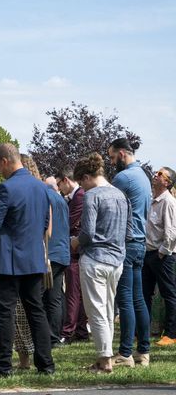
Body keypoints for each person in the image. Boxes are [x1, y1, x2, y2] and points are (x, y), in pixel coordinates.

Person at [0, 143, 55, 376]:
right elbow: (45, 224)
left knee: (4, 313)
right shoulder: (41, 187)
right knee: (36, 311)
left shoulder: (6, 188)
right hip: (33, 259)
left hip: (8, 260)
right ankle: (45, 363)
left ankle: (3, 365)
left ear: (4, 161)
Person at [71, 153, 130, 373]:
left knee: (95, 311)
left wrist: (74, 242)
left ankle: (105, 360)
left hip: (95, 259)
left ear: (86, 177)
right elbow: (128, 230)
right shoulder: (121, 195)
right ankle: (105, 357)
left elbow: (87, 233)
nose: (82, 189)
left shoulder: (92, 196)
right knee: (107, 310)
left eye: (81, 184)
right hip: (117, 260)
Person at [108, 138, 152, 367]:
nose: (112, 162)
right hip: (141, 243)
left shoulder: (123, 178)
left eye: (113, 157)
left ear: (122, 153)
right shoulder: (143, 175)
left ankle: (125, 353)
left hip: (126, 243)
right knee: (138, 299)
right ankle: (143, 352)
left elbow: (109, 204)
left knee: (125, 300)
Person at [143, 166, 176, 346]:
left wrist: (162, 253)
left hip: (162, 255)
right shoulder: (151, 200)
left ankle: (171, 334)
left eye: (160, 174)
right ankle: (144, 331)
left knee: (168, 294)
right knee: (144, 294)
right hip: (148, 253)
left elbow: (171, 232)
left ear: (167, 182)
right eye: (156, 173)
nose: (155, 175)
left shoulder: (169, 202)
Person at [56, 167, 89, 344]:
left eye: (59, 184)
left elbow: (67, 222)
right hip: (75, 249)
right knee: (78, 292)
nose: (59, 189)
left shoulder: (80, 196)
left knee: (73, 292)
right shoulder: (75, 197)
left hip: (75, 250)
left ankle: (68, 331)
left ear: (66, 180)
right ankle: (81, 331)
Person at [43, 176, 70, 347]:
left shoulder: (44, 197)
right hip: (62, 252)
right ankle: (55, 335)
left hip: (49, 252)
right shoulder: (61, 199)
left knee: (47, 297)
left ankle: (50, 336)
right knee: (56, 296)